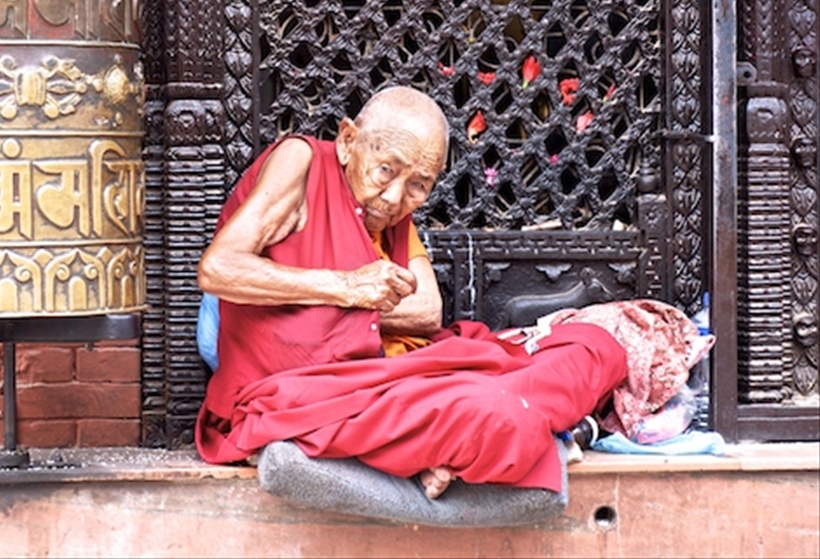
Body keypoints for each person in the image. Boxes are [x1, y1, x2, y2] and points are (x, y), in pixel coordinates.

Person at [196, 86, 628, 498]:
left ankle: (438, 450)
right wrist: (345, 287)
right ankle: (484, 443)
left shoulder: (389, 210)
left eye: (419, 184)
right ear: (348, 141)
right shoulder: (302, 160)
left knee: (597, 348)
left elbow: (426, 311)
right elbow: (219, 269)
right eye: (386, 170)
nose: (395, 196)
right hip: (307, 389)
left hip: (391, 377)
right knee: (500, 416)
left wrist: (352, 304)